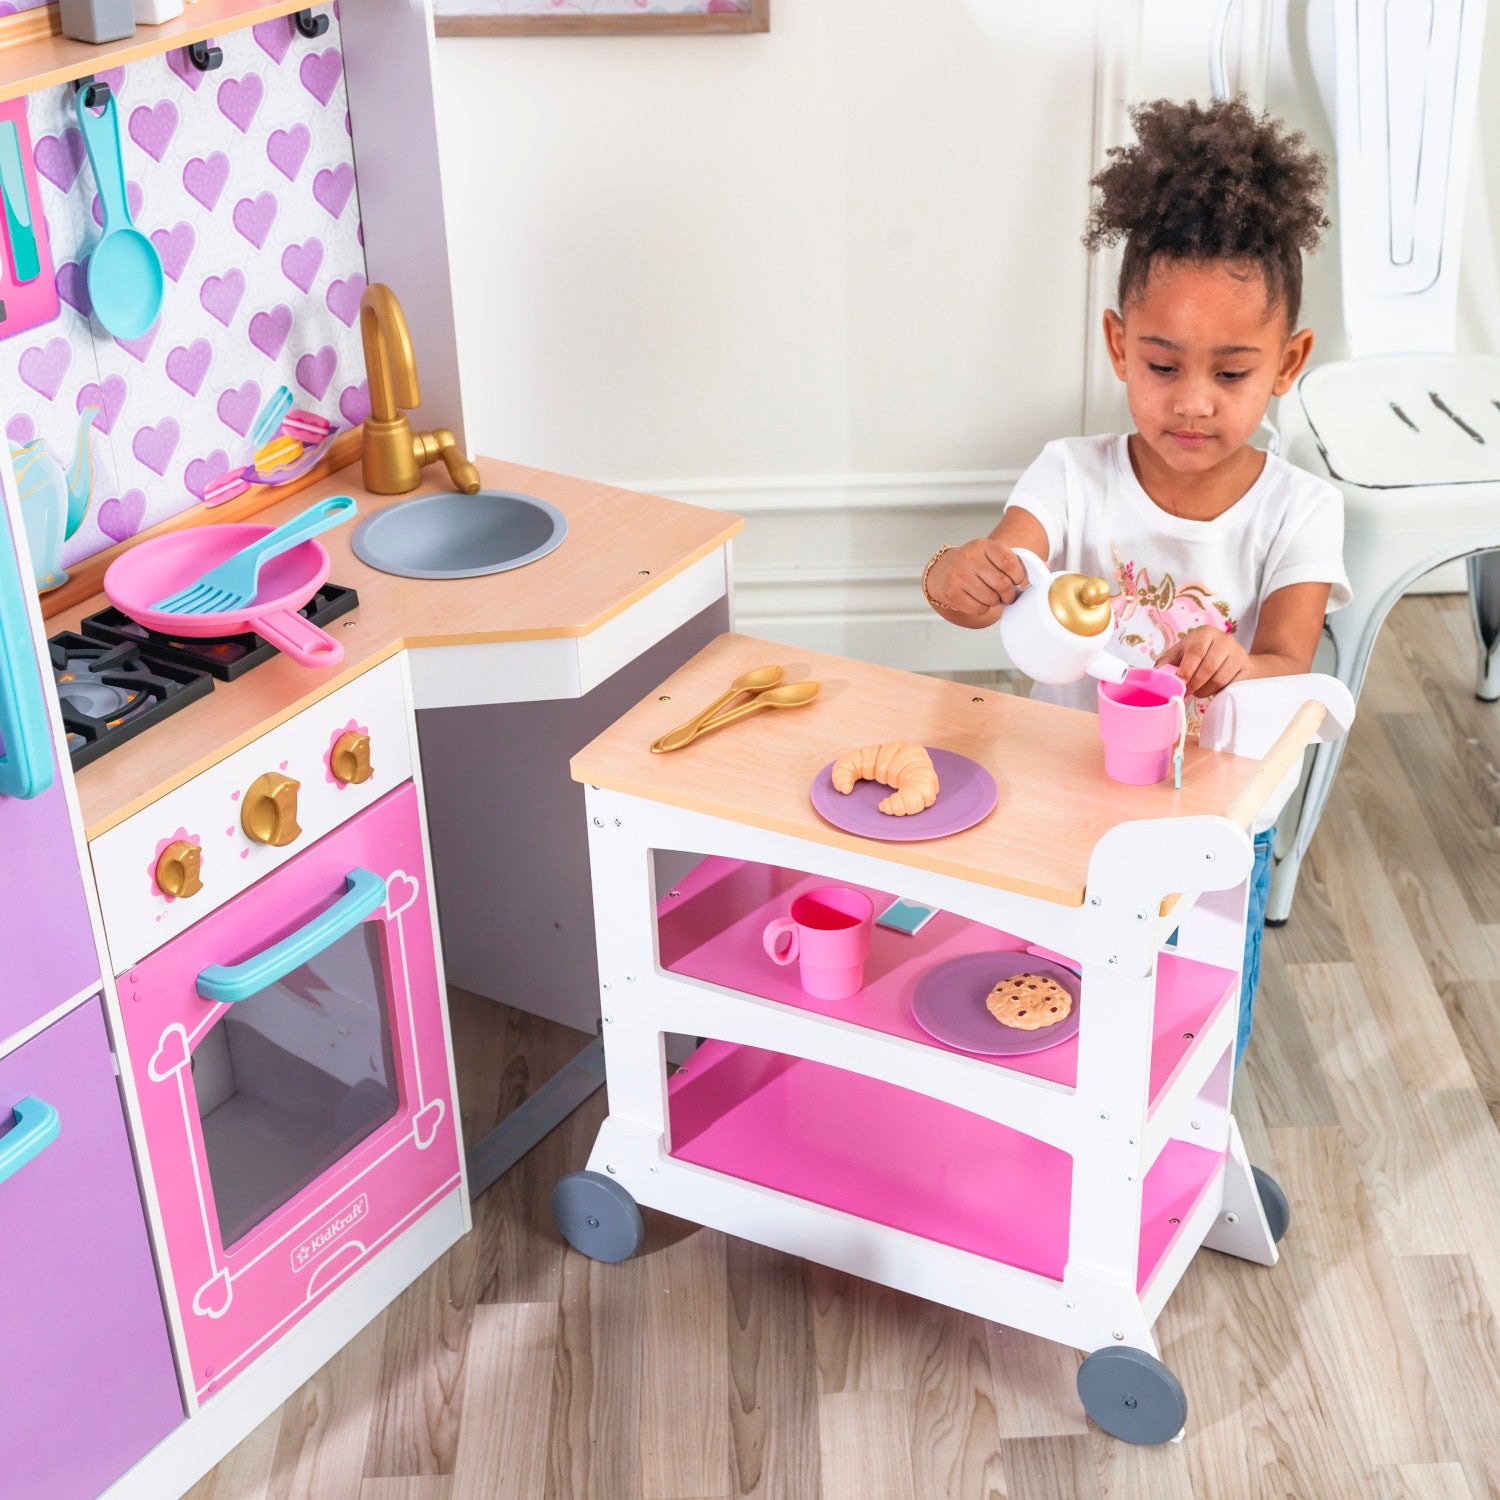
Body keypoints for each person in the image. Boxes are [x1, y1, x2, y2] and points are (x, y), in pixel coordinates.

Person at [920, 96, 1351, 1067]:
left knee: (1188, 1010)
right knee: (1039, 979)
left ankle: (1188, 1136)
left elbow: (1290, 659)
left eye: (1232, 373)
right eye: (1163, 364)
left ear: (1288, 364)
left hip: (1206, 808)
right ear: (1120, 345)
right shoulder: (1072, 477)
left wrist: (1239, 664)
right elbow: (990, 572)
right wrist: (956, 573)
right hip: (1059, 783)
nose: (1193, 401)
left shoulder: (1302, 510)